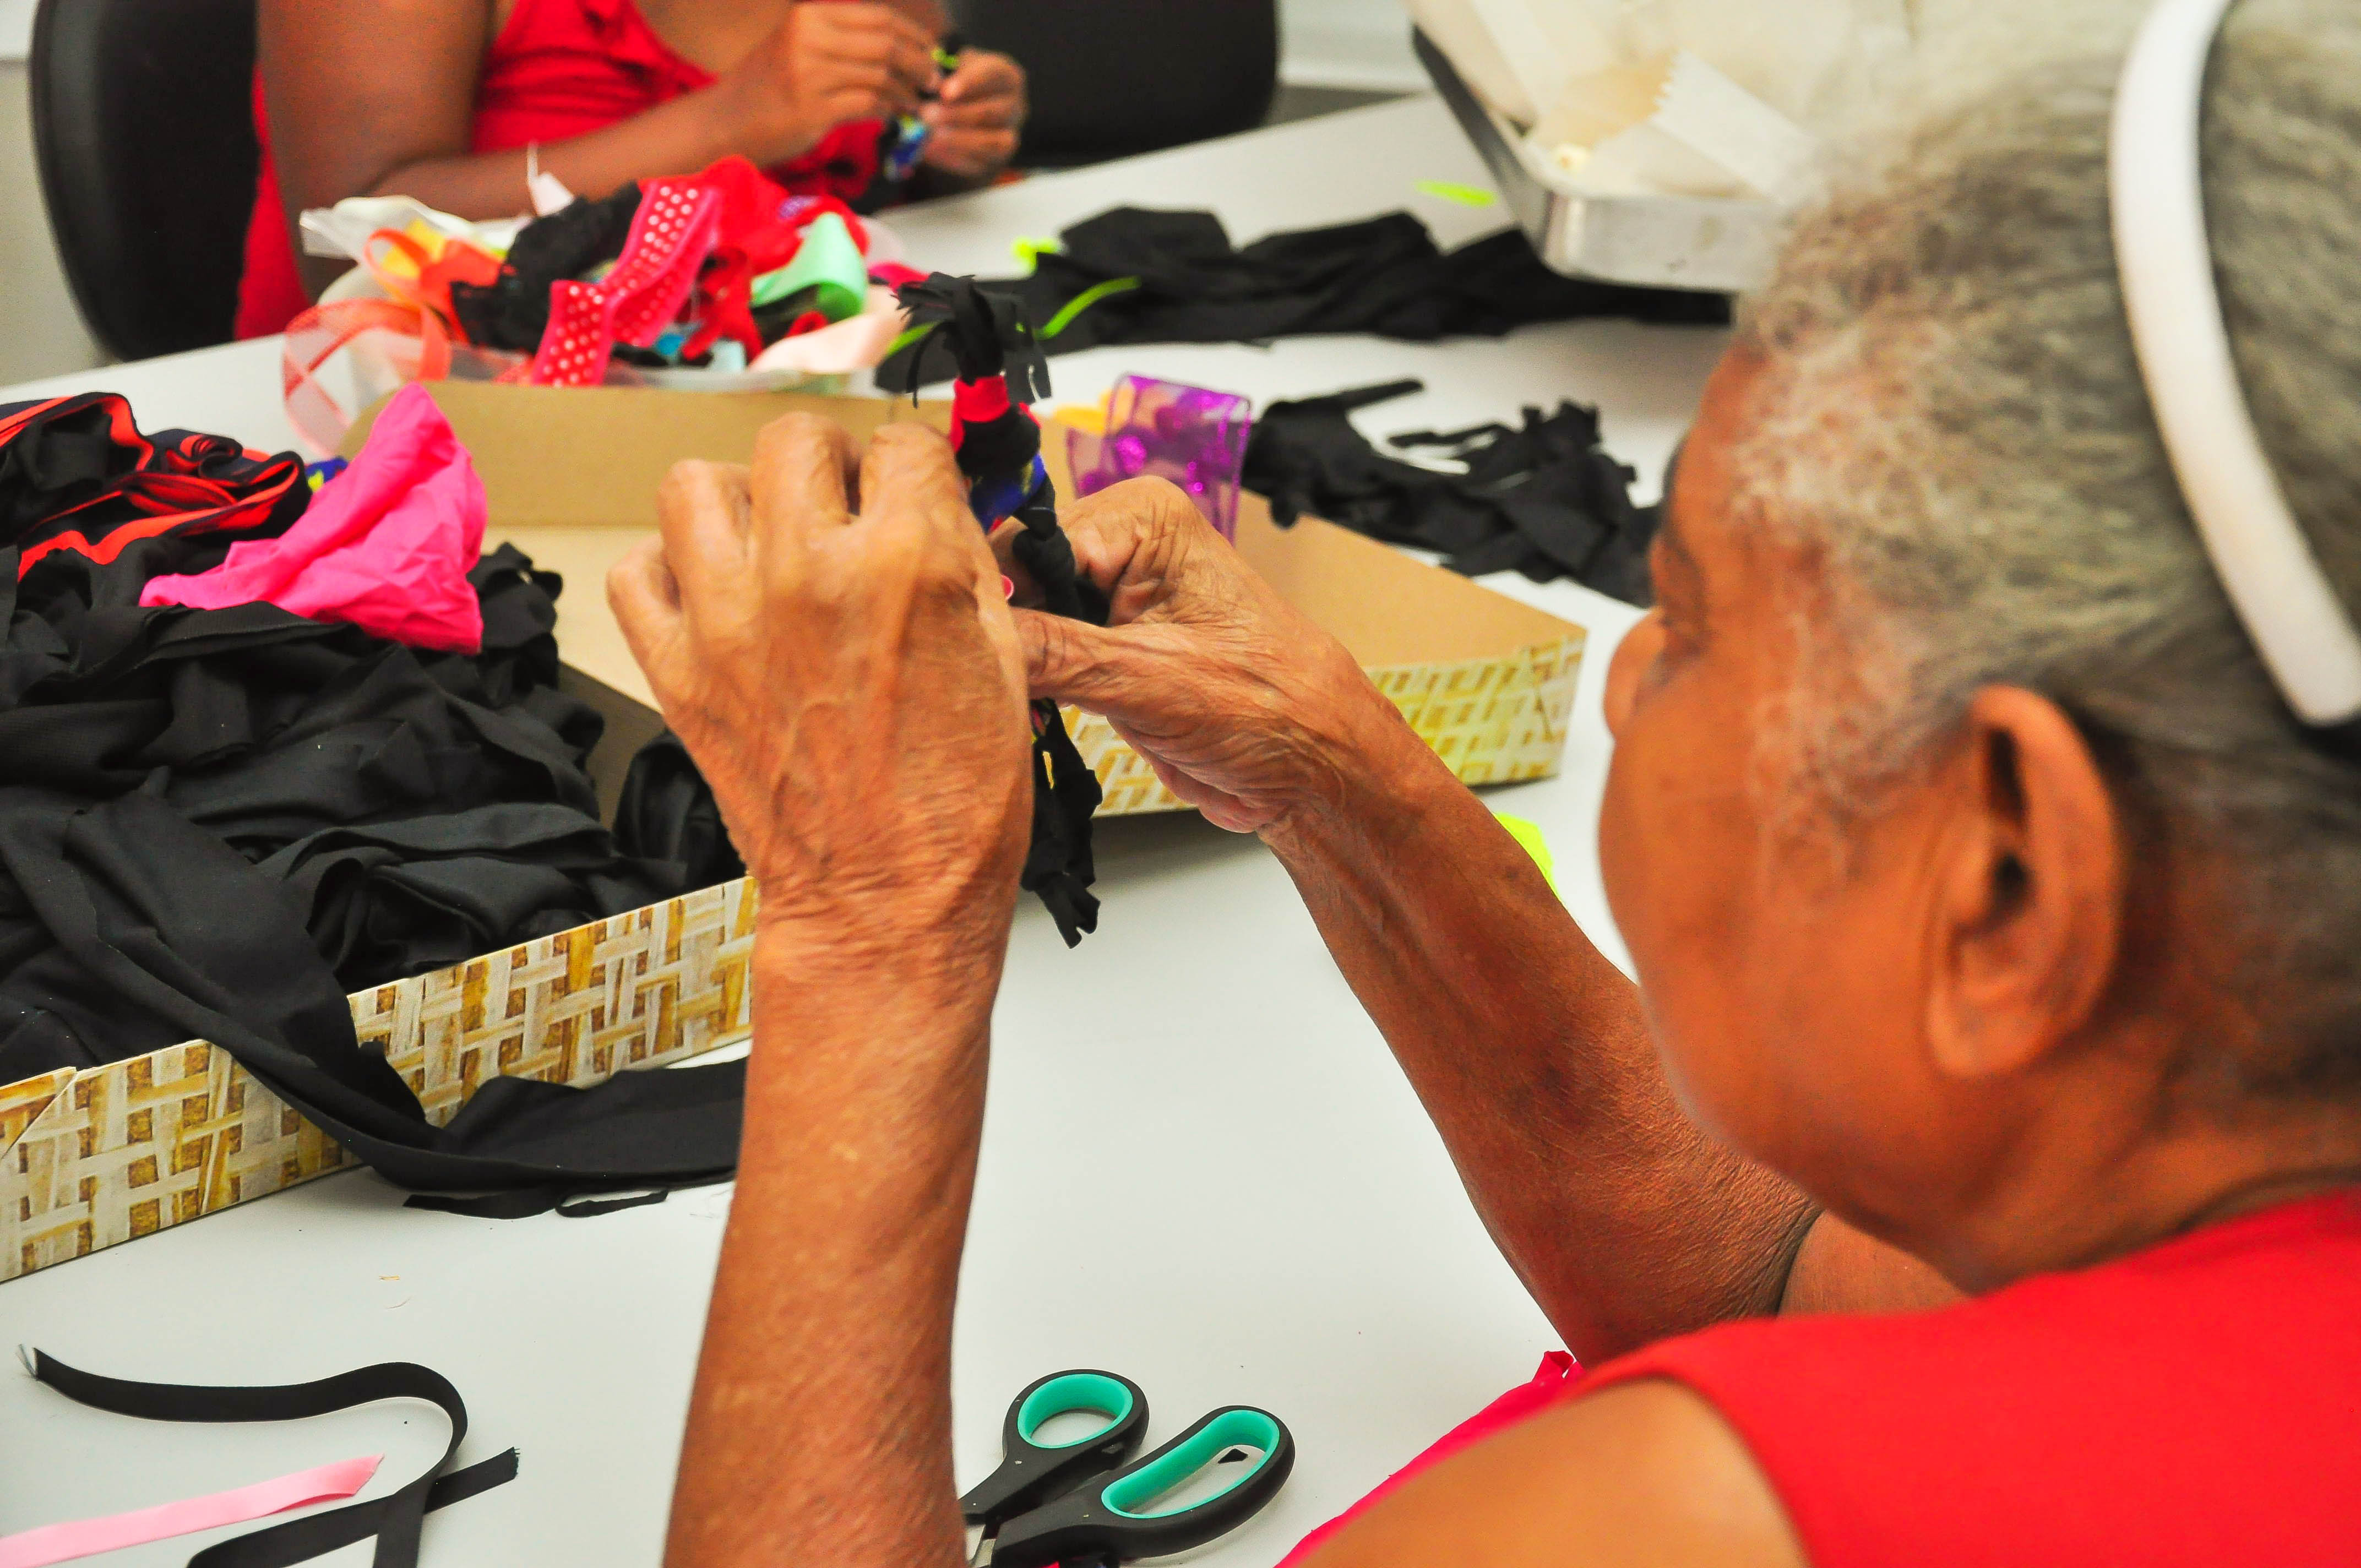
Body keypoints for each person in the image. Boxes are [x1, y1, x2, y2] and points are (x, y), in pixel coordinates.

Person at [605, 0, 2361, 1561]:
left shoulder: (1689, 1525)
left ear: (2011, 885)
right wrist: (1333, 774)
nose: (1623, 673)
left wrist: (873, 928)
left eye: (1689, 622)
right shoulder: (2202, 1217)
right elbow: (1780, 1285)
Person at [237, 0, 1027, 337]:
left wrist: (949, 142)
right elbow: (345, 238)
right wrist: (730, 123)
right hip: (396, 443)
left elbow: (875, 168)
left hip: (768, 403)